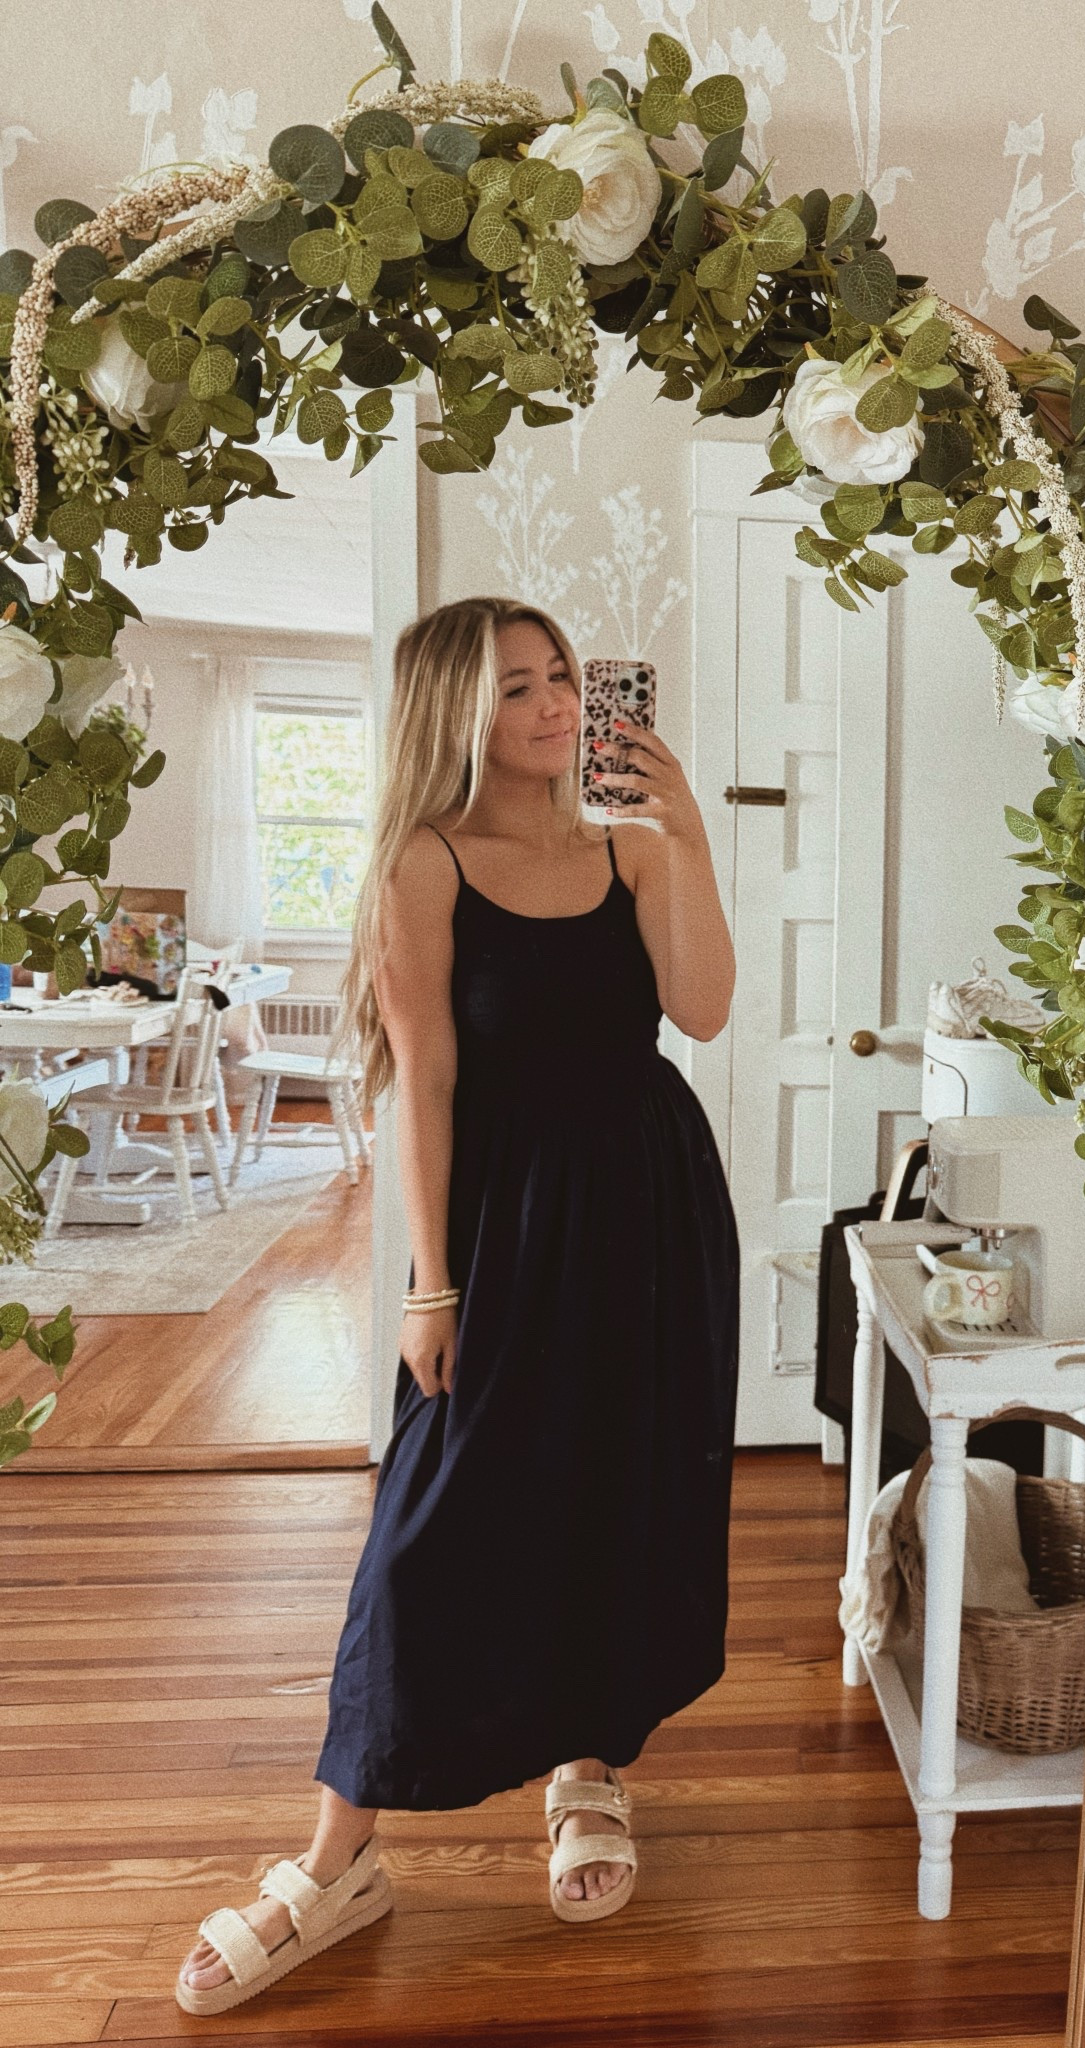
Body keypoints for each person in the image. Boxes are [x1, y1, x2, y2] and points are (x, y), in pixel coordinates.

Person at [175, 597, 741, 2015]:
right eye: (516, 690)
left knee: (615, 1485)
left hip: (652, 1203)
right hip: (505, 1221)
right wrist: (428, 1282)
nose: (555, 709)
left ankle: (588, 1764)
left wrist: (687, 835)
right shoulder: (422, 864)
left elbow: (704, 1009)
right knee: (427, 1530)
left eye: (562, 679)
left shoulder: (630, 846)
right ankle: (336, 1860)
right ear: (455, 713)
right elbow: (421, 1079)